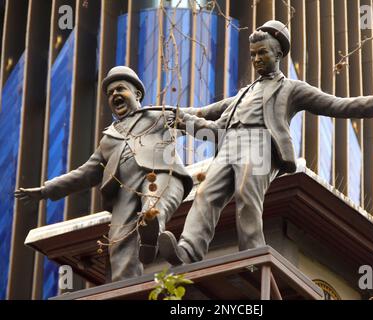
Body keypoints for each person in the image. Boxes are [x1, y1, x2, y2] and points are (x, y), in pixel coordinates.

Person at [157, 20, 373, 266]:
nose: (256, 59)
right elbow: (202, 113)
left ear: (278, 54)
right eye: (253, 54)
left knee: (247, 193)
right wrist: (164, 114)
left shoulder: (291, 88)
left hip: (259, 144)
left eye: (263, 53)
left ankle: (251, 254)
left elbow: (334, 104)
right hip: (228, 145)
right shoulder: (242, 95)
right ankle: (189, 249)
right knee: (205, 193)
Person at [14, 66, 223, 282]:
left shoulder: (157, 115)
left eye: (120, 89)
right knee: (118, 240)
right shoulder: (108, 139)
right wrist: (46, 190)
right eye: (110, 93)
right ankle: (126, 284)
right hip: (124, 193)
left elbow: (199, 120)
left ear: (137, 94)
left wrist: (226, 130)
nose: (114, 95)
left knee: (152, 205)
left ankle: (151, 230)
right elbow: (85, 173)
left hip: (160, 174)